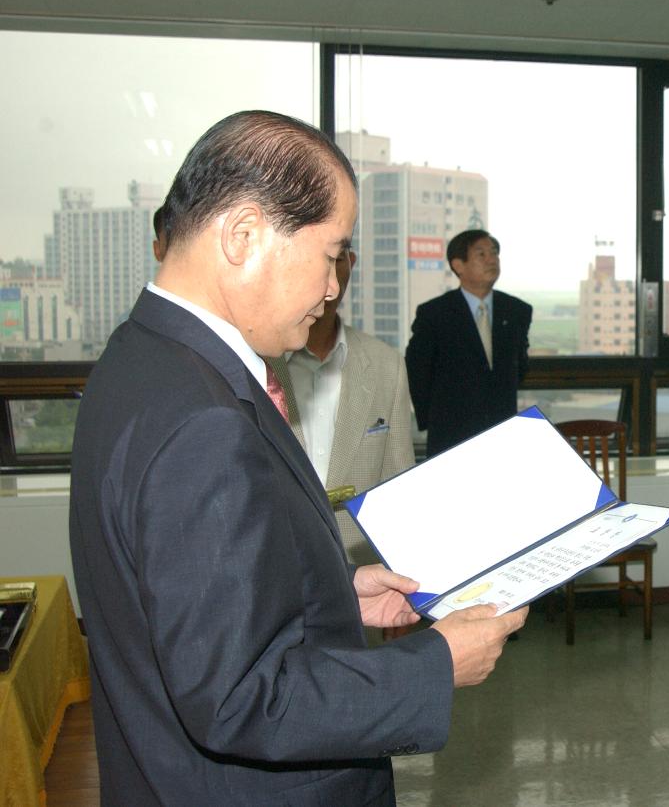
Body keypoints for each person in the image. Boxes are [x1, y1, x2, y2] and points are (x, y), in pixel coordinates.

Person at [69, 110, 527, 806]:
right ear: (244, 236)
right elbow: (238, 700)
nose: (333, 289)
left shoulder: (141, 359)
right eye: (329, 254)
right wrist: (435, 664)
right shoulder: (203, 421)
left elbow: (188, 606)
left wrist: (335, 595)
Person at [270, 244, 415, 567]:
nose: (327, 275)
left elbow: (399, 480)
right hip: (277, 567)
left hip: (364, 569)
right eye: (314, 257)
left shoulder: (385, 363)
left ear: (351, 263)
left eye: (337, 258)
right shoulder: (257, 361)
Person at [405, 229, 532, 458]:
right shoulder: (434, 314)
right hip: (451, 435)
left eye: (494, 253)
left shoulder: (517, 311)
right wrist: (431, 422)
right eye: (481, 254)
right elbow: (417, 371)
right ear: (458, 265)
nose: (491, 259)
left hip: (502, 435)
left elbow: (519, 367)